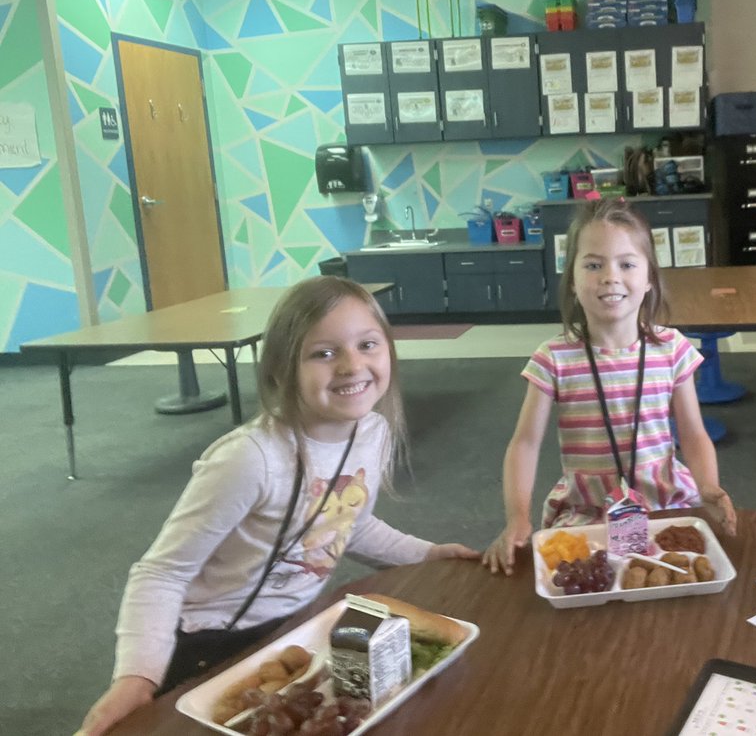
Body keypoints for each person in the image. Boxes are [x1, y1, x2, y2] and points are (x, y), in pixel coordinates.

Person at [77, 276, 479, 735]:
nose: (352, 365)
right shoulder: (250, 460)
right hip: (213, 642)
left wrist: (428, 554)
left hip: (297, 627)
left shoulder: (372, 431)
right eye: (323, 353)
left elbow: (346, 525)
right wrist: (137, 677)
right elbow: (162, 572)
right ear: (280, 370)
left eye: (367, 344)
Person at [483, 198, 736, 574]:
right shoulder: (554, 358)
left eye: (627, 264)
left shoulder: (672, 349)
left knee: (685, 578)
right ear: (572, 280)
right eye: (593, 265)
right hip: (588, 510)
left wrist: (708, 486)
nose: (610, 277)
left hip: (665, 501)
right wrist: (517, 516)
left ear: (649, 278)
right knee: (579, 581)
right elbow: (525, 443)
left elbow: (694, 434)